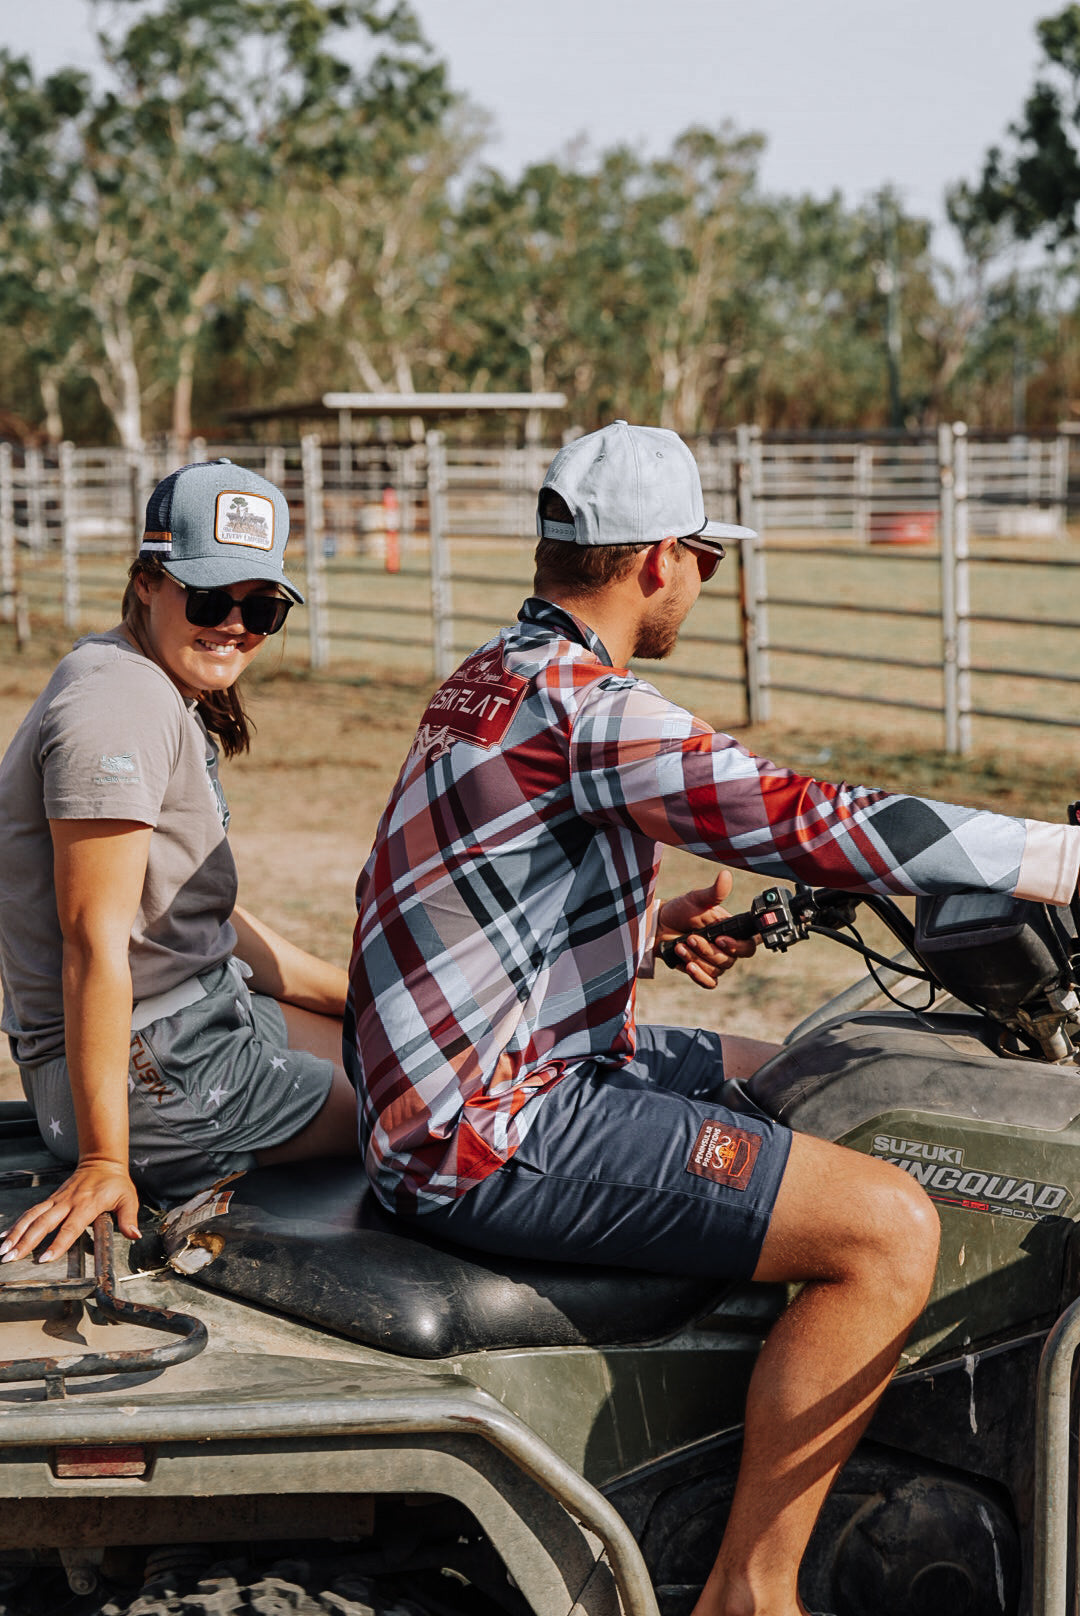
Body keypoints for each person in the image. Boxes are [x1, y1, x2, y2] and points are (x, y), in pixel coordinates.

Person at [346, 420, 1080, 1616]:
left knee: (803, 1070)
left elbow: (469, 890)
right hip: (490, 1118)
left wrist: (630, 937)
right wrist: (1059, 857)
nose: (703, 580)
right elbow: (797, 815)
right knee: (891, 1226)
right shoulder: (589, 708)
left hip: (468, 1071)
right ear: (659, 561)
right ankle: (753, 1587)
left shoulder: (492, 675)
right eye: (707, 557)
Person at [0, 459, 357, 1268]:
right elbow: (94, 939)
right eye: (208, 599)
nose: (233, 625)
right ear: (147, 582)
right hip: (155, 1062)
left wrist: (355, 997)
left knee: (404, 1048)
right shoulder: (118, 706)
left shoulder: (149, 683)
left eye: (261, 608)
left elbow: (189, 911)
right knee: (434, 1113)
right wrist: (105, 1159)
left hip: (193, 1019)